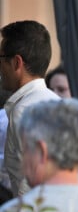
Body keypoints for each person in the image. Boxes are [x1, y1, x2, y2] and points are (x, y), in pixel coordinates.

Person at [0, 20, 59, 196]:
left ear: (17, 63)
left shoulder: (25, 110)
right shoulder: (54, 102)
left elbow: (33, 183)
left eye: (1, 58)